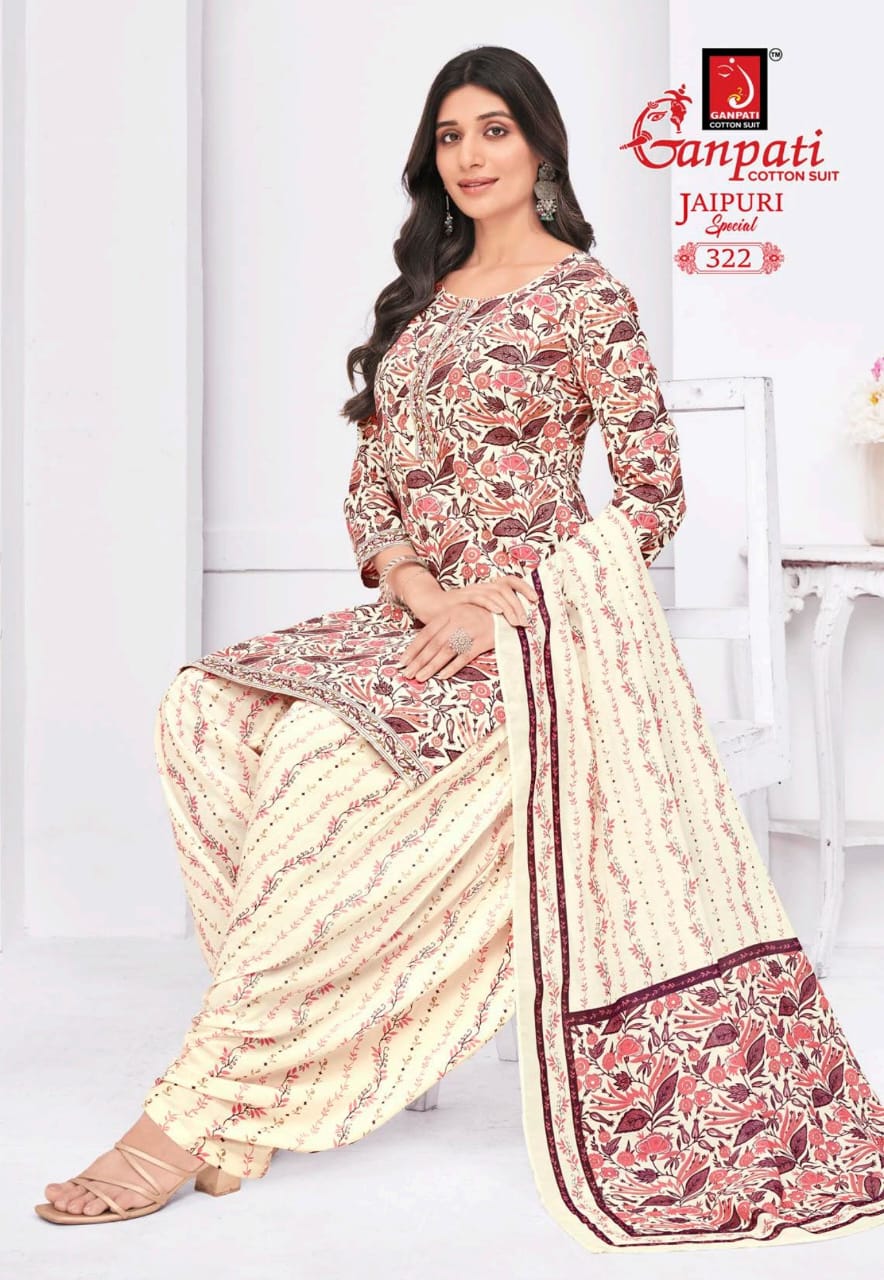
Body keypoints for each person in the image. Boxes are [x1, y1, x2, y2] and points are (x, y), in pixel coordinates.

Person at [35, 45, 884, 1254]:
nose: (471, 155)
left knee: (320, 766)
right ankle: (269, 1067)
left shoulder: (586, 296)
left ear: (538, 146)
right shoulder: (420, 302)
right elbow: (368, 491)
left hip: (535, 626)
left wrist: (507, 605)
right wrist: (417, 583)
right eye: (449, 135)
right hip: (414, 613)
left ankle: (190, 1112)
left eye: (494, 129)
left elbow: (651, 497)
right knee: (207, 711)